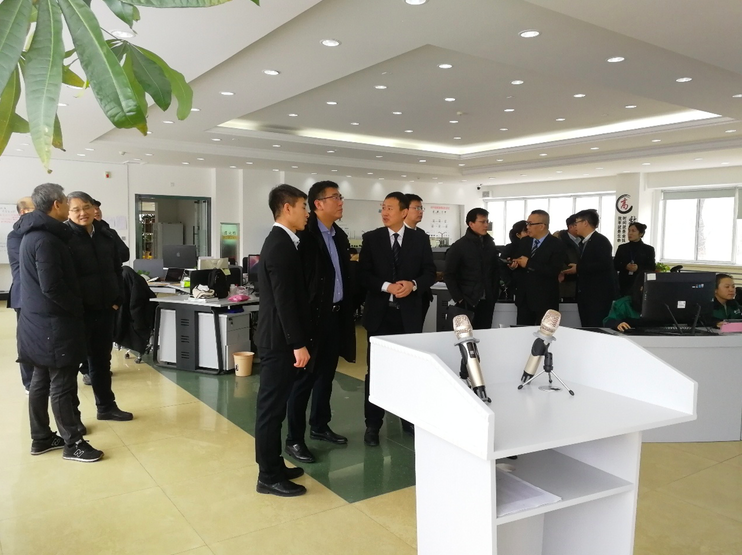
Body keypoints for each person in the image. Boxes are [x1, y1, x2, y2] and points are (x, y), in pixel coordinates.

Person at [16, 183, 103, 462]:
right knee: (62, 384)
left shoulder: (33, 234)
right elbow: (52, 286)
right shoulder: (46, 240)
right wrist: (77, 307)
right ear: (56, 205)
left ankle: (41, 438)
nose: (69, 206)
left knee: (41, 380)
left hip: (37, 322)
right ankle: (73, 443)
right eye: (67, 202)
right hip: (53, 324)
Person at [285, 181, 356, 464]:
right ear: (318, 204)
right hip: (313, 320)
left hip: (335, 316)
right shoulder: (305, 236)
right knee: (304, 380)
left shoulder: (339, 235)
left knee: (326, 375)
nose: (340, 202)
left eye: (340, 197)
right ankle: (294, 439)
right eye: (335, 197)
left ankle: (319, 425)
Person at [359, 192, 435, 446]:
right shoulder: (372, 239)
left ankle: (408, 418)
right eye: (383, 207)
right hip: (380, 316)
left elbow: (429, 272)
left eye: (390, 208)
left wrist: (413, 284)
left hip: (409, 316)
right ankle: (372, 425)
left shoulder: (419, 239)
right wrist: (386, 286)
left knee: (408, 370)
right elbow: (363, 275)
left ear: (403, 212)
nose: (385, 212)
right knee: (376, 371)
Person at [254, 184, 312, 497]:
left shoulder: (285, 242)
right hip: (279, 342)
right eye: (304, 206)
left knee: (275, 409)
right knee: (271, 411)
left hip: (279, 339)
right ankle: (268, 476)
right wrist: (297, 344)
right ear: (287, 208)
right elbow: (284, 301)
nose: (307, 213)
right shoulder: (280, 245)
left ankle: (275, 465)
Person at [65, 191, 133, 422]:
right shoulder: (64, 237)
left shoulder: (105, 234)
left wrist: (117, 299)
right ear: (67, 212)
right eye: (76, 209)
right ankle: (72, 419)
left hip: (105, 309)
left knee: (101, 362)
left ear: (94, 208)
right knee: (71, 366)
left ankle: (106, 407)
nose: (83, 213)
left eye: (86, 207)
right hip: (78, 313)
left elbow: (117, 268)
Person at [444, 208, 500, 329]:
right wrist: (459, 298)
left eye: (487, 221)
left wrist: (494, 293)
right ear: (471, 224)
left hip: (487, 299)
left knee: (485, 333)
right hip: (467, 300)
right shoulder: (459, 246)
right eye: (482, 222)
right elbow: (449, 275)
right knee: (465, 334)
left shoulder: (489, 244)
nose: (486, 225)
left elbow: (495, 270)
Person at [508, 210, 567, 325]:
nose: (527, 227)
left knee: (545, 333)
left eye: (530, 224)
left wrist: (529, 263)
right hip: (524, 298)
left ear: (541, 226)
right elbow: (520, 264)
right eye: (527, 223)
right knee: (521, 331)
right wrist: (514, 266)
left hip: (545, 300)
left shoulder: (557, 244)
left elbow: (553, 271)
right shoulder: (525, 241)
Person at [562, 209, 617, 327]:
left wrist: (579, 268)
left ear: (585, 223)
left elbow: (603, 265)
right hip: (586, 295)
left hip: (597, 296)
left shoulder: (600, 241)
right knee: (586, 326)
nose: (575, 226)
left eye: (577, 223)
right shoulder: (584, 242)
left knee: (595, 326)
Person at [7, 196, 35, 392]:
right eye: (36, 208)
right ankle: (29, 382)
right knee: (27, 340)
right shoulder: (15, 236)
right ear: (24, 212)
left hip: (41, 295)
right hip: (24, 295)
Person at [405, 193, 433, 323]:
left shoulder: (422, 236)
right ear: (404, 210)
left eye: (421, 208)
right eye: (416, 208)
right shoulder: (392, 234)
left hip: (420, 295)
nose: (420, 212)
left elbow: (429, 268)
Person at [613, 222, 655, 296]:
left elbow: (651, 267)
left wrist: (638, 268)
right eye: (629, 230)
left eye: (633, 231)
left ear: (641, 234)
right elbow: (615, 264)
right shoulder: (622, 248)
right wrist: (626, 266)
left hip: (639, 283)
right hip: (623, 283)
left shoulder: (648, 249)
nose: (630, 233)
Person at [92, 198, 130, 262]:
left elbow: (125, 254)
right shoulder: (80, 233)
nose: (96, 211)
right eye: (92, 209)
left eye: (97, 208)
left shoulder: (110, 232)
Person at [556, 215, 581, 301]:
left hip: (581, 286)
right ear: (570, 226)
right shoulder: (559, 241)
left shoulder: (583, 241)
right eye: (578, 224)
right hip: (566, 286)